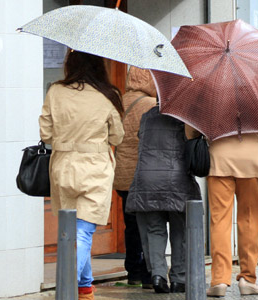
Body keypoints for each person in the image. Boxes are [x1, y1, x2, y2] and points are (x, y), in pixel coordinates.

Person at [39, 50, 124, 300]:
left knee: (73, 229)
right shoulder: (108, 95)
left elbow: (46, 133)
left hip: (63, 166)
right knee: (84, 231)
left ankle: (85, 287)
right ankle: (67, 289)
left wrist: (66, 140)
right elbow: (117, 137)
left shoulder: (55, 91)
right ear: (99, 66)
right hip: (95, 167)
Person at [125, 106, 202, 294]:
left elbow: (141, 139)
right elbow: (192, 140)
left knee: (153, 229)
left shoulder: (147, 116)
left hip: (147, 179)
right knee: (180, 231)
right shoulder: (185, 115)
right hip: (178, 179)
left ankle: (158, 274)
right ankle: (179, 278)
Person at [204, 132, 258, 297]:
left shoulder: (211, 105)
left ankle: (219, 280)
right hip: (252, 158)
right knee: (250, 220)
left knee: (220, 221)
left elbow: (191, 131)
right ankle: (247, 279)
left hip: (219, 158)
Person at [113, 66, 156, 288]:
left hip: (121, 173)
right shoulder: (151, 105)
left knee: (130, 224)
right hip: (143, 173)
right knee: (148, 225)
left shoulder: (118, 101)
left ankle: (133, 272)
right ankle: (149, 274)